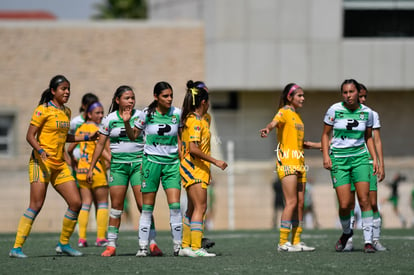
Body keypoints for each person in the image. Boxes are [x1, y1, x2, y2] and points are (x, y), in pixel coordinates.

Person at [9, 75, 98, 258]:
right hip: (40, 163)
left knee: (76, 203)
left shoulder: (66, 111)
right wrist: (40, 150)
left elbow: (66, 137)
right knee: (36, 205)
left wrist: (88, 137)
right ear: (53, 91)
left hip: (59, 165)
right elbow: (30, 136)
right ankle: (16, 248)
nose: (66, 92)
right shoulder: (42, 110)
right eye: (63, 89)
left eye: (68, 89)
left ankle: (63, 244)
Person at [87, 85, 162, 257]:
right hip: (118, 167)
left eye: (132, 98)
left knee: (144, 205)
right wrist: (91, 168)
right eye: (127, 98)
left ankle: (152, 242)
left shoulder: (140, 116)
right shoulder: (109, 119)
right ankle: (111, 244)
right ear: (117, 100)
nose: (130, 101)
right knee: (116, 207)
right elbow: (99, 144)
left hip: (138, 164)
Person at [123, 81, 183, 257]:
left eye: (171, 95)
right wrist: (127, 123)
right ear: (156, 97)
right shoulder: (146, 114)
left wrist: (183, 160)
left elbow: (180, 139)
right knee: (147, 208)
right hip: (151, 164)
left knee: (175, 206)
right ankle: (143, 247)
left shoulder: (177, 114)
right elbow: (134, 135)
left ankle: (177, 246)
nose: (169, 99)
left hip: (172, 165)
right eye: (165, 96)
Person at [321, 79, 378, 253]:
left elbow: (369, 137)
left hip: (360, 159)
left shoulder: (367, 113)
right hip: (339, 160)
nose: (348, 96)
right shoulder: (334, 110)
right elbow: (325, 134)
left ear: (357, 92)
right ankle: (346, 233)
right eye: (345, 92)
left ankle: (368, 242)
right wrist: (325, 156)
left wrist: (374, 158)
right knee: (345, 204)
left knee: (364, 199)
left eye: (351, 92)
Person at [260, 83, 318, 252]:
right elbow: (274, 122)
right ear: (289, 97)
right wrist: (267, 129)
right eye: (299, 95)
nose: (302, 98)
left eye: (303, 95)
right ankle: (283, 242)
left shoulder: (297, 117)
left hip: (300, 163)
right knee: (291, 202)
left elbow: (299, 142)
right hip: (287, 163)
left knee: (300, 204)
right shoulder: (284, 111)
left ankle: (296, 241)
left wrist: (317, 146)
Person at [177, 80, 228, 257]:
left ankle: (185, 246)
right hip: (193, 167)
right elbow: (193, 148)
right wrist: (216, 161)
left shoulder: (194, 118)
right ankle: (196, 247)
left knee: (192, 208)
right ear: (204, 102)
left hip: (197, 168)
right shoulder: (195, 121)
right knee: (201, 207)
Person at [343, 83, 387, 251]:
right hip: (349, 162)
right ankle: (348, 239)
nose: (361, 99)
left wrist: (380, 163)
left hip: (367, 162)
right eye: (359, 96)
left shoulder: (371, 114)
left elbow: (376, 140)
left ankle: (374, 240)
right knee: (349, 204)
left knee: (372, 202)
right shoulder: (343, 113)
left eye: (364, 96)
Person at [67, 101, 110, 248]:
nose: (101, 115)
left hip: (82, 171)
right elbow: (102, 151)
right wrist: (113, 161)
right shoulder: (98, 130)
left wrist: (74, 163)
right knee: (103, 203)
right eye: (97, 113)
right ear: (89, 114)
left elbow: (69, 149)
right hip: (96, 171)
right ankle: (100, 238)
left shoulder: (81, 129)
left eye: (102, 112)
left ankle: (82, 238)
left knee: (85, 204)